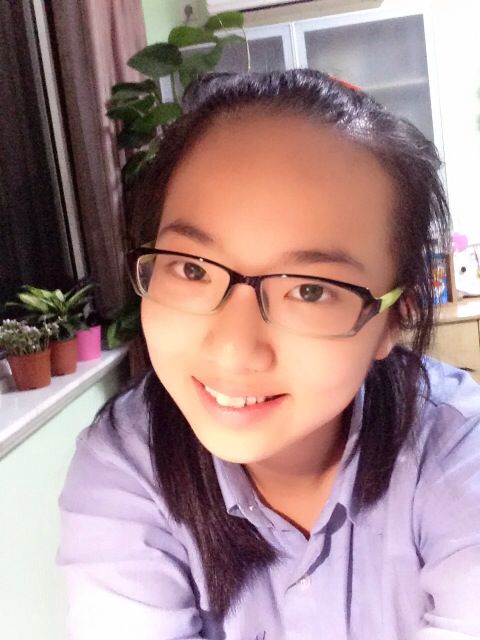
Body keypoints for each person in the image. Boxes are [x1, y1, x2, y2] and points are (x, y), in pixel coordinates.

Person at [56, 70, 480, 640]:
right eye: (192, 269)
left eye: (310, 290)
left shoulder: (457, 451)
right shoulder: (127, 465)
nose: (233, 348)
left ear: (393, 319)